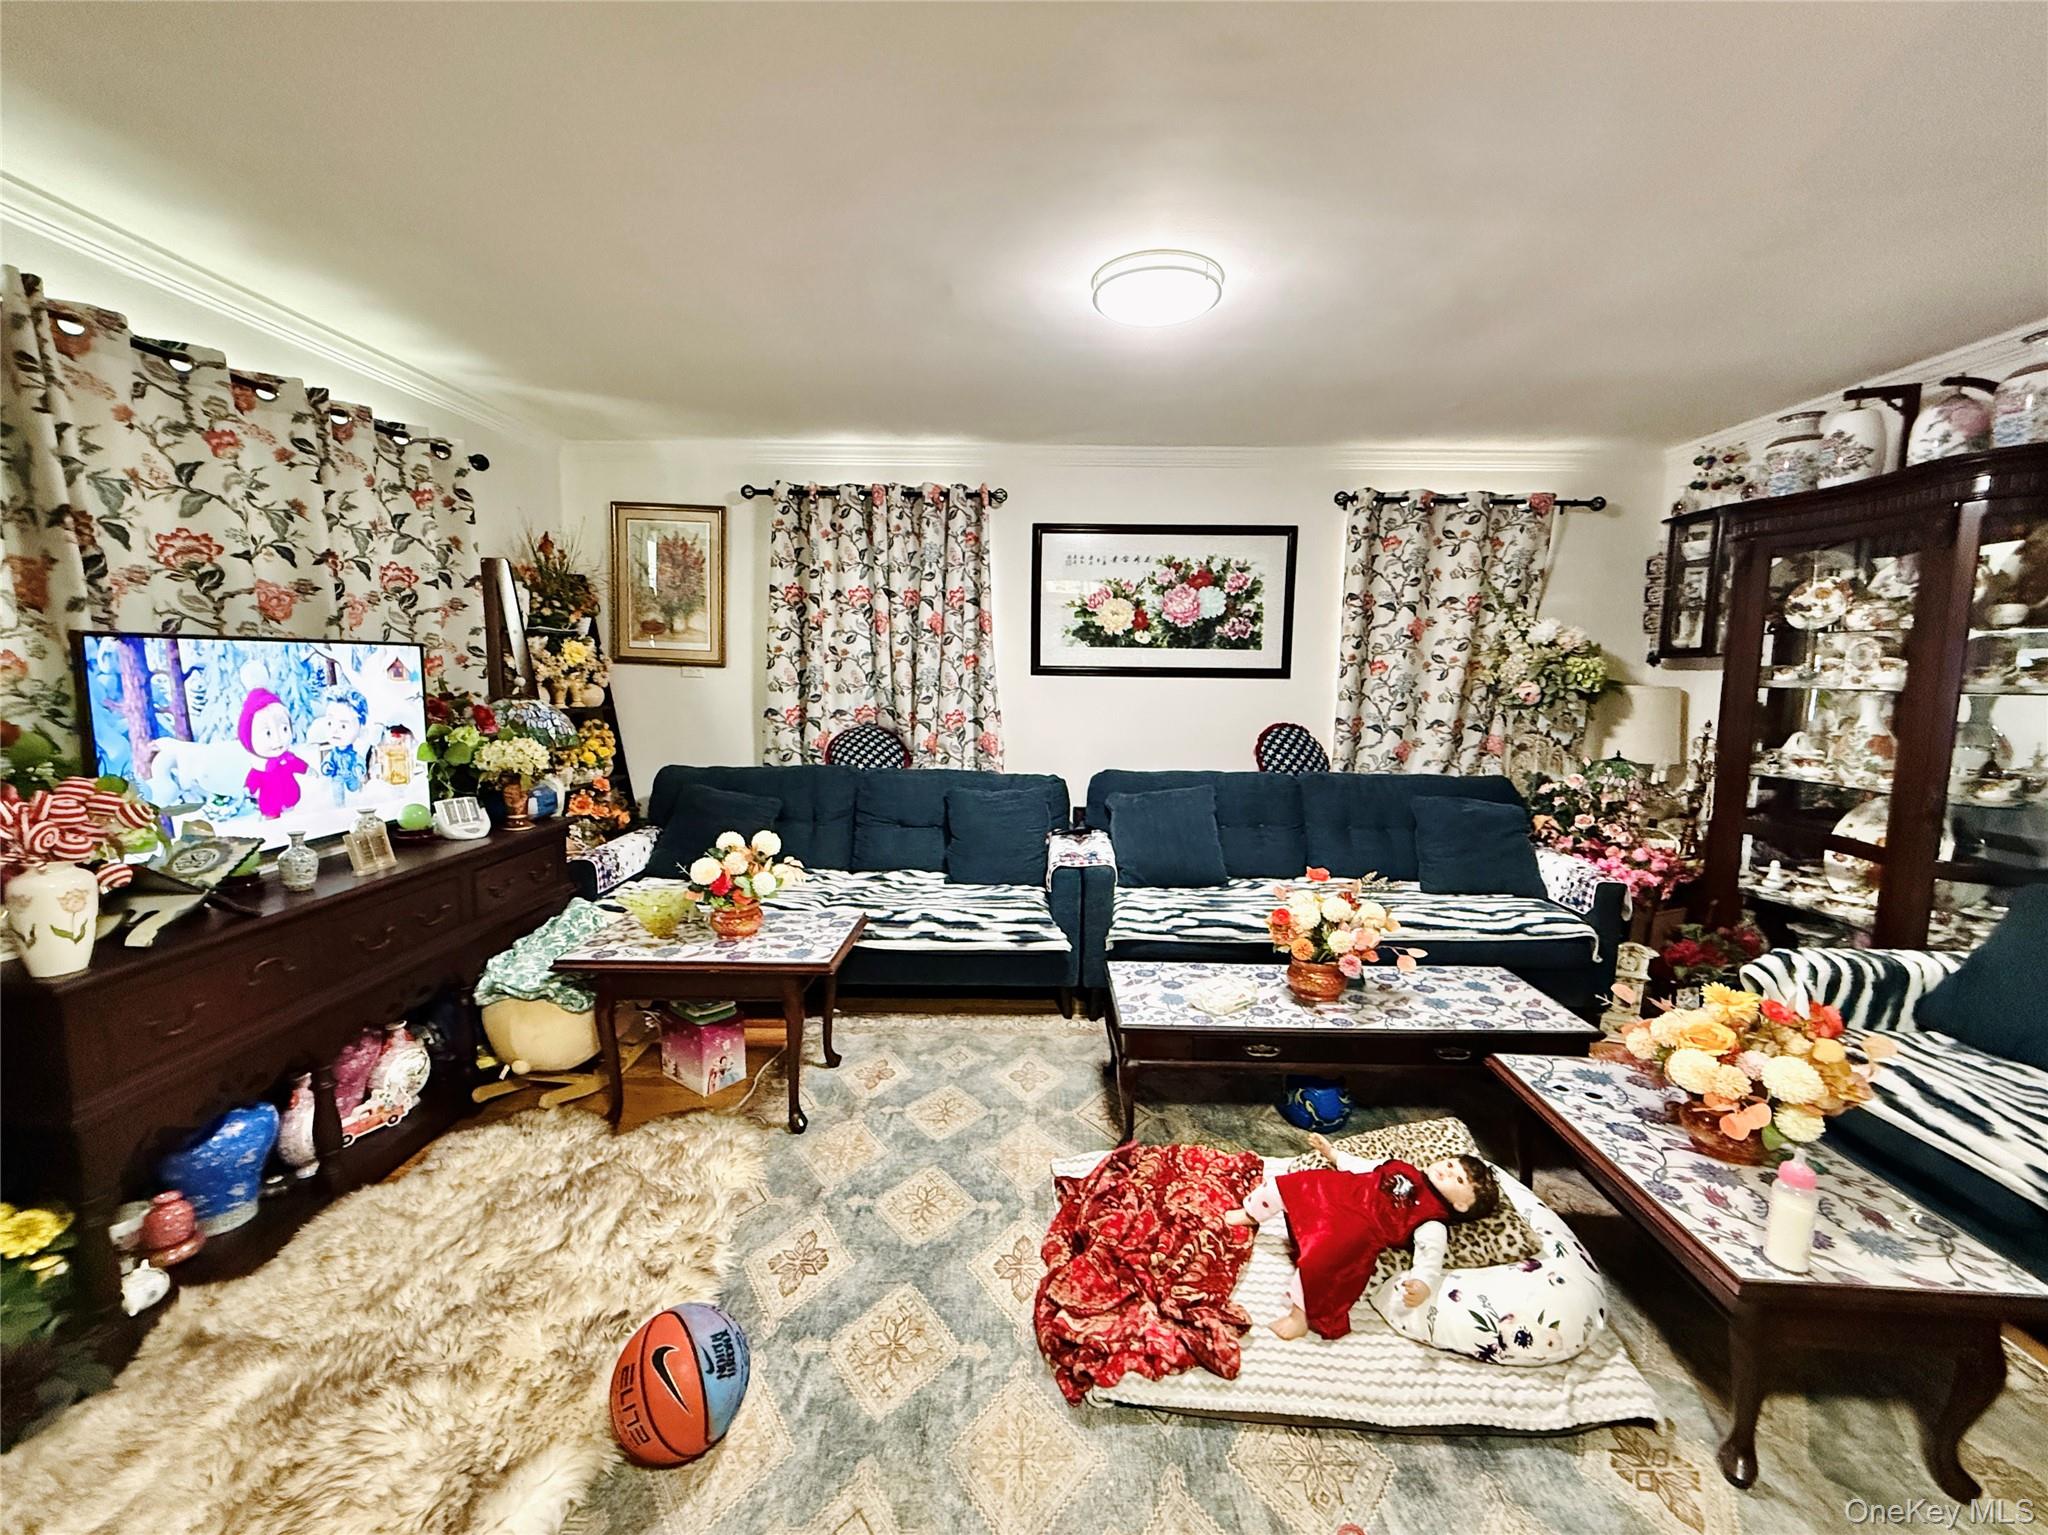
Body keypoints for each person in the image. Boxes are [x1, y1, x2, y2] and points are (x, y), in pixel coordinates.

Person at [1225, 1132, 1501, 1340]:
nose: (1449, 1171)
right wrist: (1332, 1153)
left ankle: (1300, 1316)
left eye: (1460, 1180)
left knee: (1322, 1261)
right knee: (1289, 1184)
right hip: (1338, 1190)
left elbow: (1430, 1258)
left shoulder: (1433, 1221)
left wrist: (1422, 1284)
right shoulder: (1403, 1167)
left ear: (1462, 1205)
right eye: (1452, 1164)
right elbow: (1363, 1165)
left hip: (1360, 1226)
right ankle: (1250, 1213)